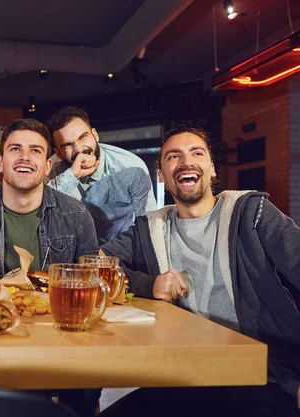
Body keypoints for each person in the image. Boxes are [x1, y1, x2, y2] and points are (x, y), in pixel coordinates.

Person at [99, 127, 300, 417]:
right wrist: (149, 283)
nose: (186, 162)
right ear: (161, 175)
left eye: (197, 153)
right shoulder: (149, 229)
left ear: (212, 169)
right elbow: (92, 264)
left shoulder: (252, 214)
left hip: (262, 374)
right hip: (185, 373)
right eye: (173, 156)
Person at [0, 119, 101, 417]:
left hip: (59, 338)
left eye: (35, 150)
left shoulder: (77, 214)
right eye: (15, 149)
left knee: (87, 379)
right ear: (0, 162)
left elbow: (91, 284)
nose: (25, 156)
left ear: (47, 166)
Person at [46, 106, 157, 243]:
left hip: (123, 249)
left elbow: (149, 223)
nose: (79, 149)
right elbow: (43, 214)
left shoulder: (129, 166)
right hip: (75, 250)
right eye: (67, 145)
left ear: (95, 135)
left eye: (83, 137)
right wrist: (71, 176)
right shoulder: (53, 169)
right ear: (59, 153)